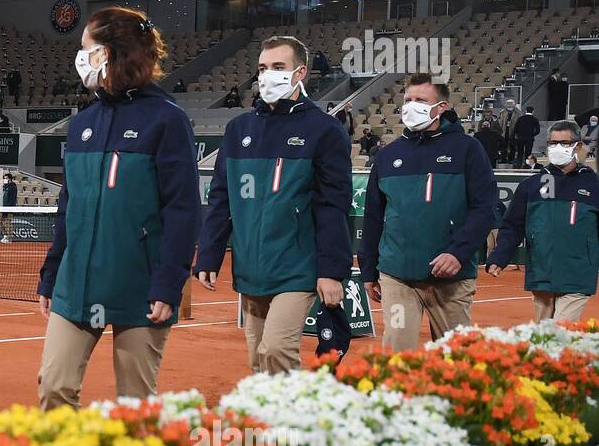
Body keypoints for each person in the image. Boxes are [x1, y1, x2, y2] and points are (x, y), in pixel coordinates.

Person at [37, 7, 201, 408]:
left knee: (135, 407)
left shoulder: (167, 120)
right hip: (75, 284)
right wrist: (52, 273)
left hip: (141, 286)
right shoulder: (82, 124)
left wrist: (168, 283)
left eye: (86, 48)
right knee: (54, 388)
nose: (80, 58)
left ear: (109, 52)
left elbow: (182, 209)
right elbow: (68, 207)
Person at [195, 35, 352, 374]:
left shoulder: (324, 130)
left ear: (300, 73)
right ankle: (273, 425)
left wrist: (331, 271)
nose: (267, 75)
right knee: (258, 361)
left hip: (298, 267)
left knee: (277, 349)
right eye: (263, 68)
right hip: (251, 267)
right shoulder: (239, 129)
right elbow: (221, 198)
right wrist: (208, 252)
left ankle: (292, 424)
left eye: (278, 67)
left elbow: (332, 206)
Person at [360, 74, 498, 352]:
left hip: (451, 279)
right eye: (408, 100)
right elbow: (373, 215)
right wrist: (368, 270)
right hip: (397, 274)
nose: (411, 106)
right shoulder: (388, 155)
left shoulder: (468, 149)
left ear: (442, 107)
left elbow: (485, 208)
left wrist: (458, 252)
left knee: (457, 360)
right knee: (397, 355)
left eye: (420, 101)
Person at [488, 121, 598, 322]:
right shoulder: (530, 186)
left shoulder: (594, 185)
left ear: (578, 146)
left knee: (561, 332)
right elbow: (513, 225)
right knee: (543, 336)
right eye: (553, 143)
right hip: (542, 272)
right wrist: (499, 257)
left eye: (564, 143)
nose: (557, 148)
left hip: (577, 273)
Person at [0, 171, 18, 243]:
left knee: (8, 222)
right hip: (3, 207)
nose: (4, 179)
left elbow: (13, 198)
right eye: (4, 178)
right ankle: (5, 235)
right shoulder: (4, 186)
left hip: (10, 207)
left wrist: (10, 207)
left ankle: (9, 238)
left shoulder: (13, 186)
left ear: (10, 179)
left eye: (6, 178)